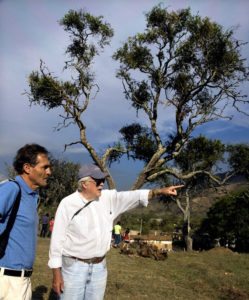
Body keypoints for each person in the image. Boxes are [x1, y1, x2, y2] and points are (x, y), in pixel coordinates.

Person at [48, 163, 183, 300]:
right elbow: (57, 240)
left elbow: (132, 196)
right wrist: (56, 274)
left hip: (99, 268)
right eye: (98, 181)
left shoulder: (108, 198)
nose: (102, 184)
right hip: (73, 268)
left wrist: (158, 192)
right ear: (84, 184)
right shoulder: (67, 204)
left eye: (103, 181)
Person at [0, 144, 51, 300]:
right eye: (45, 167)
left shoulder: (31, 197)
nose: (49, 172)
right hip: (7, 282)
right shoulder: (11, 188)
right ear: (27, 168)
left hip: (21, 281)